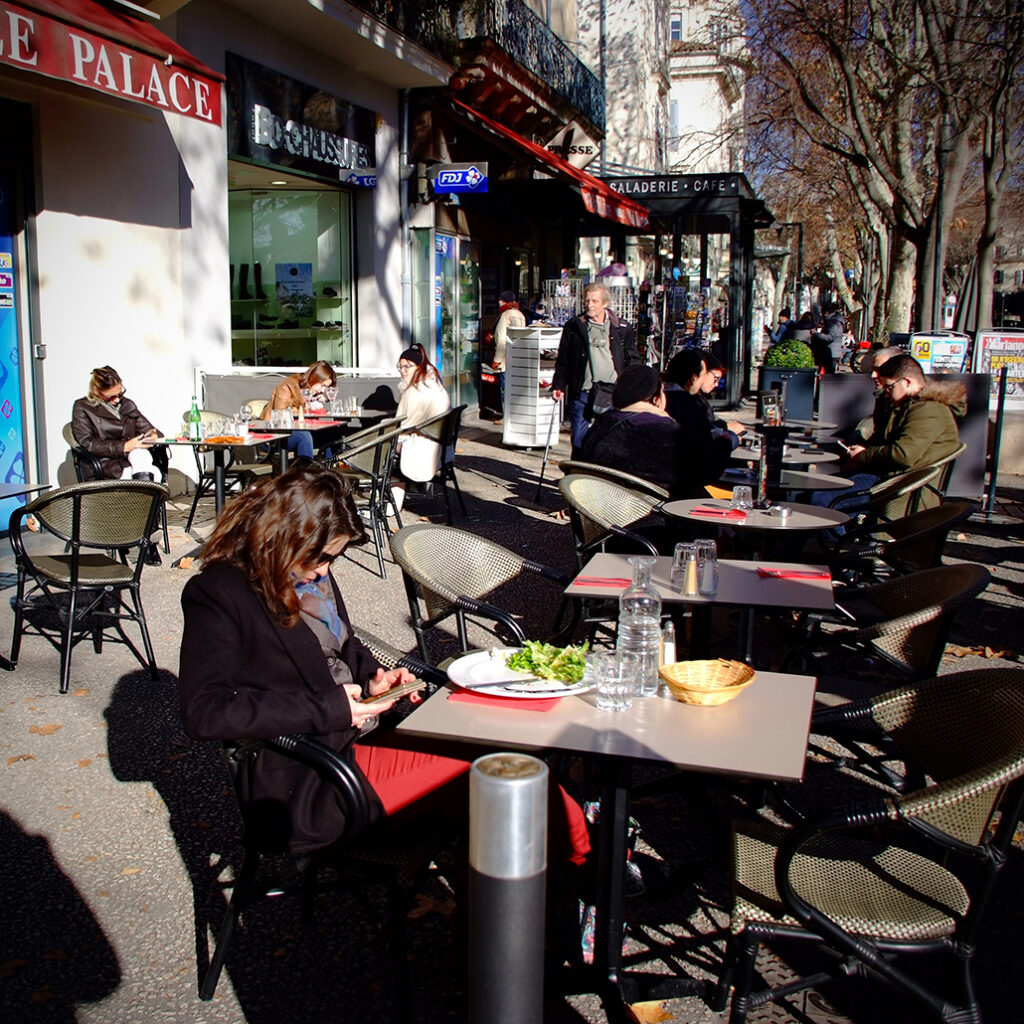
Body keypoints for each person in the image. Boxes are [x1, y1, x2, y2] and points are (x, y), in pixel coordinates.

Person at [178, 464, 589, 861]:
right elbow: (205, 712)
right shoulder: (218, 593)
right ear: (281, 538)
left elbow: (343, 643)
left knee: (498, 752)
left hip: (363, 740)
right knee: (500, 772)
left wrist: (373, 676)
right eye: (318, 557)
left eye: (332, 559)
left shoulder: (309, 572)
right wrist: (334, 707)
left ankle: (565, 880)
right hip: (311, 774)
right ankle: (591, 867)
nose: (324, 570)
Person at [811, 354, 965, 511]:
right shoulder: (907, 405)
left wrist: (863, 455)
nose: (886, 391)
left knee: (822, 501)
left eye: (889, 387)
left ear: (906, 382)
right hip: (890, 477)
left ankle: (840, 536)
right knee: (815, 492)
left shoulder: (928, 409)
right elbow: (884, 442)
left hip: (901, 486)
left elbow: (903, 455)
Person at [551, 283, 640, 450]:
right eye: (587, 301)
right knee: (578, 438)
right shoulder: (575, 326)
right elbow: (564, 359)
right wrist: (559, 385)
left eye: (594, 301)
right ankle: (577, 473)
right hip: (583, 390)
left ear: (605, 303)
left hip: (611, 392)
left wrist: (630, 387)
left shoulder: (621, 328)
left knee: (608, 439)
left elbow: (632, 359)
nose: (589, 305)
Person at [659, 350, 734, 494]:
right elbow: (704, 468)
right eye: (703, 375)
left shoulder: (662, 399)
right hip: (680, 487)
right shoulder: (689, 406)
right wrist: (727, 441)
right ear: (693, 379)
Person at [72, 365, 164, 481]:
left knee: (143, 457)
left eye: (120, 394)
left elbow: (151, 430)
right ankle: (145, 495)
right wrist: (124, 447)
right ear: (96, 391)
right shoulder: (83, 408)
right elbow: (88, 443)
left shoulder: (126, 405)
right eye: (111, 397)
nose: (117, 400)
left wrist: (152, 436)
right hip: (105, 463)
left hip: (131, 460)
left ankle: (144, 494)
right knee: (154, 474)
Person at [393, 344, 451, 510]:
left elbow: (403, 425)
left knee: (382, 450)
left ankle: (388, 505)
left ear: (419, 366)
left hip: (423, 447)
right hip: (438, 444)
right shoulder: (432, 384)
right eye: (400, 366)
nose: (402, 370)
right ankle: (391, 503)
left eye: (407, 366)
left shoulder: (418, 390)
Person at [268, 360, 337, 460]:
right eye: (322, 385)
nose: (322, 390)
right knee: (304, 436)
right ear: (314, 377)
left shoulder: (311, 390)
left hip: (300, 430)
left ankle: (329, 471)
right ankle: (305, 473)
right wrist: (307, 406)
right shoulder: (287, 387)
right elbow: (280, 415)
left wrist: (317, 402)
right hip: (278, 435)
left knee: (330, 434)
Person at [492, 290, 526, 408]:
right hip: (517, 357)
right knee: (513, 389)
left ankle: (506, 416)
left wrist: (497, 360)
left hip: (505, 359)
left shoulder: (505, 315)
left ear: (502, 301)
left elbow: (502, 340)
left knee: (505, 388)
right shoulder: (520, 314)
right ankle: (513, 415)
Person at [810, 305, 845, 374]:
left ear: (826, 313)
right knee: (827, 375)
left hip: (831, 353)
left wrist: (816, 334)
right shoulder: (834, 322)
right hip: (832, 352)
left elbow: (829, 337)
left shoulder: (834, 323)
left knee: (829, 376)